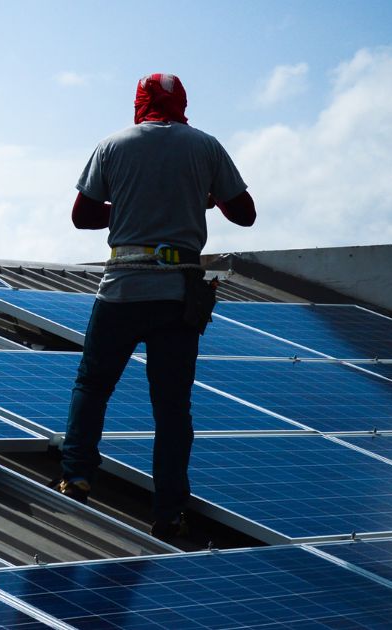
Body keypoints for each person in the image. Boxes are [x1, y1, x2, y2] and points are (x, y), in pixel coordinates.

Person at [53, 73, 256, 541]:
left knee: (93, 384)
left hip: (122, 290)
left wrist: (127, 205)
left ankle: (78, 473)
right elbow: (244, 213)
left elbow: (83, 217)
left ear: (139, 103)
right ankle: (168, 511)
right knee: (171, 408)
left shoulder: (113, 146)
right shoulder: (205, 147)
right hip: (177, 295)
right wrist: (196, 200)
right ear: (182, 102)